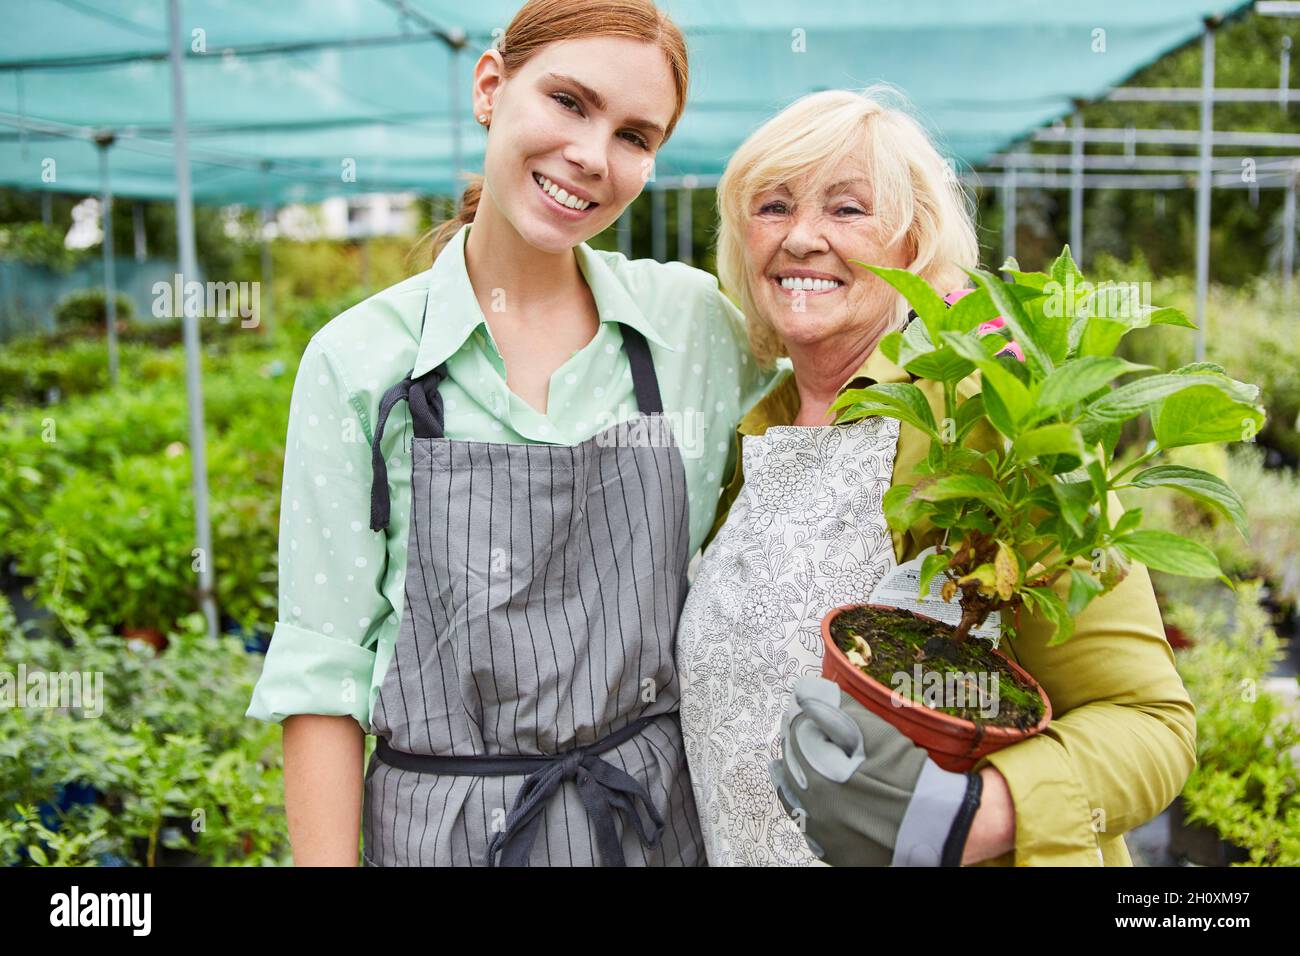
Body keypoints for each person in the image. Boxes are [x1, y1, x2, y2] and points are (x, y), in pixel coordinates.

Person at [246, 0, 776, 867]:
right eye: (569, 101)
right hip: (444, 837)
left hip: (646, 825)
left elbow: (847, 386)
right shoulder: (363, 362)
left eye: (635, 136)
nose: (592, 156)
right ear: (490, 87)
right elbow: (324, 672)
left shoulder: (690, 329)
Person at [675, 86, 1197, 866]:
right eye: (774, 205)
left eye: (847, 210)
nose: (803, 237)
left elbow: (1150, 722)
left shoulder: (995, 429)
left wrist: (971, 815)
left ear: (915, 245)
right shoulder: (746, 434)